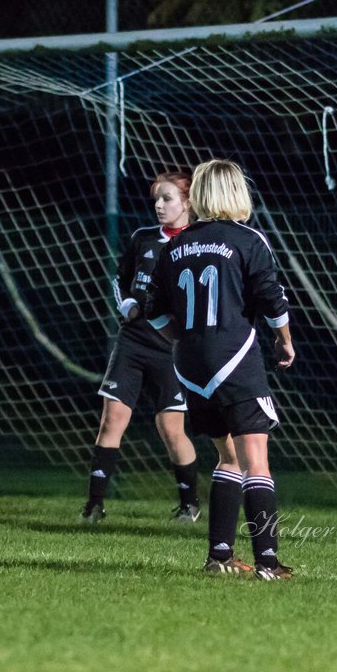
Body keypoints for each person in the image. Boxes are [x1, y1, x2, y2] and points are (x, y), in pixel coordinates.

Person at [145, 159, 295, 580]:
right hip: (234, 358)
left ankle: (220, 556)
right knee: (255, 460)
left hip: (191, 363)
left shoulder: (176, 245)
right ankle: (267, 561)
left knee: (226, 456)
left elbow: (152, 308)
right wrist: (285, 340)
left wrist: (181, 339)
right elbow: (271, 297)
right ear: (236, 192)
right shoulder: (247, 238)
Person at [80, 171, 202, 524]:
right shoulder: (142, 238)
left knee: (171, 430)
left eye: (167, 199)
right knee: (111, 420)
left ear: (187, 202)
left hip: (173, 349)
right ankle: (94, 505)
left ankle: (189, 504)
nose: (160, 206)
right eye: (156, 200)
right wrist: (127, 306)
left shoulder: (197, 242)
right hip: (133, 342)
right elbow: (121, 278)